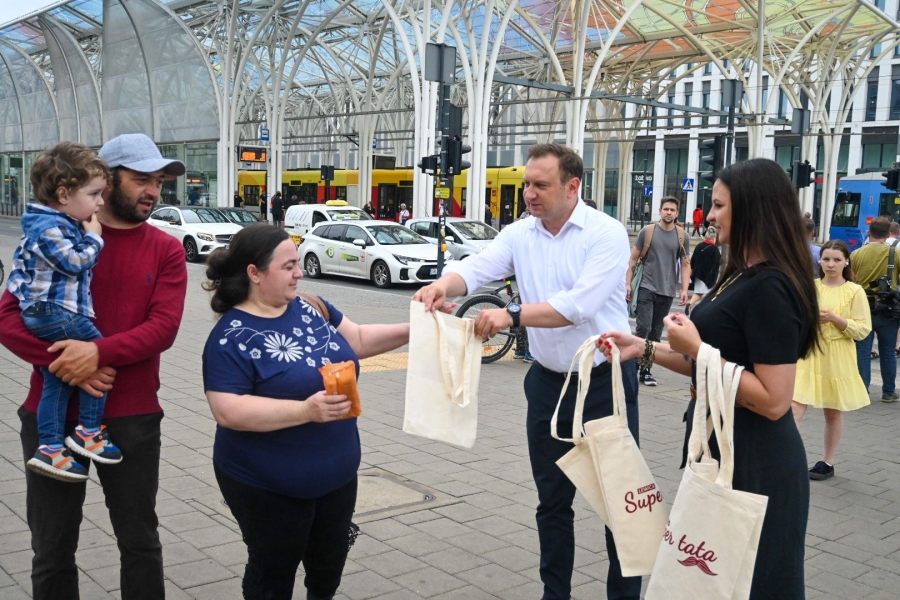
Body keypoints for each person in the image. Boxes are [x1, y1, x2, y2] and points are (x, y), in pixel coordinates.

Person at [414, 144, 641, 600]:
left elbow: (578, 306)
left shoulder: (606, 233)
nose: (529, 194)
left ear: (572, 186)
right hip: (548, 385)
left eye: (541, 185)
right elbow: (478, 267)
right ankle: (555, 594)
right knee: (552, 502)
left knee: (621, 507)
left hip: (604, 385)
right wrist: (442, 284)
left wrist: (511, 315)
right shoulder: (520, 233)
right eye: (526, 185)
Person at [601, 157, 818, 598]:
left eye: (719, 205)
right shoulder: (740, 273)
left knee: (753, 584)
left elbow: (774, 400)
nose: (710, 215)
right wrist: (642, 347)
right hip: (724, 450)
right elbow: (712, 362)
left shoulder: (771, 287)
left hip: (756, 462)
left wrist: (698, 349)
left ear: (753, 208)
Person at [0, 132, 188, 599]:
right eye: (141, 179)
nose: (153, 191)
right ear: (107, 178)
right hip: (51, 417)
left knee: (140, 543)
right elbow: (7, 317)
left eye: (159, 182)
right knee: (51, 550)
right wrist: (70, 364)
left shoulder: (166, 249)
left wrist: (98, 354)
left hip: (132, 418)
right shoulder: (54, 238)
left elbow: (163, 328)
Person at [201, 225, 415, 600]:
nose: (299, 273)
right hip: (267, 486)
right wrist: (305, 410)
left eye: (297, 264)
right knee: (273, 573)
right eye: (288, 267)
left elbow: (358, 339)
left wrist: (420, 328)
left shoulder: (309, 306)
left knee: (327, 569)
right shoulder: (231, 336)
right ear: (254, 273)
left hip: (338, 477)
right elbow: (228, 411)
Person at [6, 142, 122, 482]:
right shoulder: (50, 226)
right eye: (94, 194)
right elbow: (73, 262)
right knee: (99, 355)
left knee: (56, 379)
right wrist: (95, 238)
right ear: (63, 193)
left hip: (47, 311)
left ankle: (51, 448)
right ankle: (88, 431)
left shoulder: (52, 223)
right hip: (54, 312)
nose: (101, 203)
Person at [793, 240, 871, 481]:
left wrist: (836, 319)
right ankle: (788, 459)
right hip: (810, 352)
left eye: (837, 259)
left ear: (846, 261)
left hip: (838, 355)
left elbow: (863, 329)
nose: (831, 264)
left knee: (832, 411)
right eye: (826, 259)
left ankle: (828, 461)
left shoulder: (854, 291)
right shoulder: (811, 286)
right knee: (794, 407)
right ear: (820, 260)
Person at [626, 196, 691, 386]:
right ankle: (634, 365)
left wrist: (685, 289)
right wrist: (628, 284)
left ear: (677, 213)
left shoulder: (682, 236)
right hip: (646, 286)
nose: (669, 212)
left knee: (656, 333)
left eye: (672, 210)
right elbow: (633, 258)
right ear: (660, 211)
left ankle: (646, 370)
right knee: (643, 327)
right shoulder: (648, 232)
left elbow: (686, 264)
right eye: (666, 209)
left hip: (667, 290)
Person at [851, 216, 900, 402]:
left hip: (863, 308)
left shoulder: (856, 254)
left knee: (863, 352)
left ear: (869, 232)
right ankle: (888, 392)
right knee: (888, 352)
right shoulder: (896, 253)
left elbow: (851, 282)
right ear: (888, 234)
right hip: (888, 310)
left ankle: (863, 391)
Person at [687, 227, 720, 315]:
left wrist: (691, 270)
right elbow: (716, 264)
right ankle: (701, 310)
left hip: (698, 274)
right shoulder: (715, 249)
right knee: (707, 294)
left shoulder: (699, 246)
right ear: (714, 238)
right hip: (708, 275)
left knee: (699, 292)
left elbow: (693, 259)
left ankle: (691, 305)